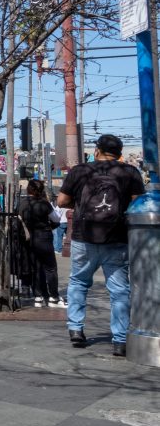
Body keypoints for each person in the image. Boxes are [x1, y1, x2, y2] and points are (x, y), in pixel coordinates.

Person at [57, 134, 145, 357]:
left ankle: (76, 329)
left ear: (97, 150)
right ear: (119, 153)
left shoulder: (80, 171)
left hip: (83, 237)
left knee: (78, 281)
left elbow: (61, 201)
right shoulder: (130, 172)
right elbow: (137, 203)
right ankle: (120, 340)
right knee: (119, 290)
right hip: (117, 239)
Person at [18, 180, 64, 308]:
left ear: (29, 190)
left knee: (36, 267)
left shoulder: (22, 204)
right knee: (50, 268)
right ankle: (53, 296)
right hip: (43, 236)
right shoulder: (44, 204)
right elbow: (56, 218)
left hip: (29, 239)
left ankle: (38, 296)